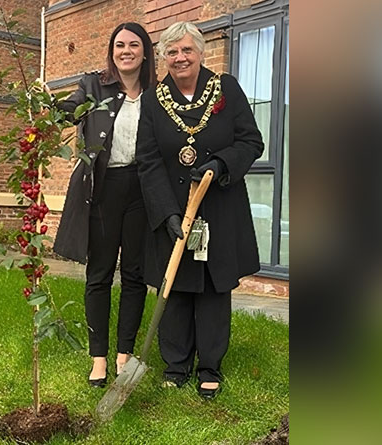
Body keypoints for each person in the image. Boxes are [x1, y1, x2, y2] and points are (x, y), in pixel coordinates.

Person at [135, 21, 264, 400]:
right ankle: (176, 364)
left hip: (219, 206)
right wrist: (167, 212)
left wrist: (221, 164)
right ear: (162, 58)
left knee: (211, 287)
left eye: (186, 50)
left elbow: (251, 141)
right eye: (171, 52)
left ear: (201, 51)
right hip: (173, 208)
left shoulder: (226, 89)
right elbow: (148, 159)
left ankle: (210, 366)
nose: (180, 58)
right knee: (174, 287)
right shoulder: (152, 100)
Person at [52, 22, 157, 388]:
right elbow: (68, 109)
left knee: (134, 274)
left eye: (133, 45)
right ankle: (99, 356)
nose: (125, 50)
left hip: (142, 190)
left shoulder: (157, 93)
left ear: (145, 51)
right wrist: (47, 104)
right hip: (103, 187)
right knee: (99, 273)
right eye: (119, 45)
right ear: (111, 52)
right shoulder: (93, 84)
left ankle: (124, 352)